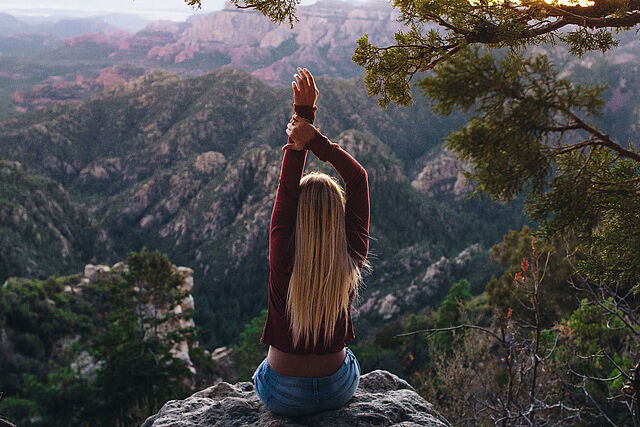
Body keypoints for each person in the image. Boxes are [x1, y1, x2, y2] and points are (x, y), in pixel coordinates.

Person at [252, 67, 370, 416]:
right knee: (350, 360)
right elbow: (358, 178)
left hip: (281, 393)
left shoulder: (282, 250)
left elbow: (287, 191)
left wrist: (302, 123)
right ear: (339, 218)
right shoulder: (351, 253)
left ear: (296, 219)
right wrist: (314, 136)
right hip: (337, 389)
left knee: (261, 372)